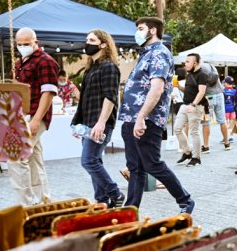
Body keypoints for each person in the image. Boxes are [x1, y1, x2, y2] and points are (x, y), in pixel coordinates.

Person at [118, 16, 194, 214]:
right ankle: (130, 210)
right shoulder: (146, 53)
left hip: (147, 119)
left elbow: (157, 88)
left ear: (152, 31)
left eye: (141, 28)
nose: (137, 32)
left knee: (152, 164)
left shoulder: (159, 53)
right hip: (131, 117)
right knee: (135, 167)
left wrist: (141, 117)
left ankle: (185, 200)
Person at [71, 29, 125, 208]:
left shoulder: (109, 67)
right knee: (95, 160)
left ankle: (115, 193)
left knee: (89, 160)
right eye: (87, 39)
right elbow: (85, 101)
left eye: (92, 40)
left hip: (100, 123)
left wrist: (101, 123)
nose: (87, 42)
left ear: (103, 44)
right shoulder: (91, 69)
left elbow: (110, 97)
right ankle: (101, 200)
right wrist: (77, 124)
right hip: (88, 123)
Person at [11, 27, 59, 205]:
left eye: (26, 44)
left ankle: (25, 205)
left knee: (17, 156)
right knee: (34, 159)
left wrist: (37, 119)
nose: (23, 47)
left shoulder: (45, 61)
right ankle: (42, 201)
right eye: (20, 44)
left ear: (35, 42)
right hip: (22, 115)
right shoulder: (20, 62)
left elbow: (48, 93)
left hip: (34, 115)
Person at [173, 54, 208, 167]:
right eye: (185, 61)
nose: (185, 64)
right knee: (177, 128)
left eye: (188, 61)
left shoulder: (202, 75)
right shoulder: (189, 74)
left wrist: (193, 104)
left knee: (194, 132)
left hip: (195, 106)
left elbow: (201, 92)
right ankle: (187, 152)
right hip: (185, 105)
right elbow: (189, 90)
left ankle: (196, 158)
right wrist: (179, 87)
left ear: (195, 63)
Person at [199, 59, 231, 153]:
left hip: (209, 96)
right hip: (220, 94)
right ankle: (227, 143)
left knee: (206, 121)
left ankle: (206, 146)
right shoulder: (212, 66)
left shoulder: (200, 69)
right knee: (222, 121)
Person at [223, 76, 237, 142]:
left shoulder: (223, 91)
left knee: (225, 123)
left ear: (226, 83)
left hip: (225, 109)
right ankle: (231, 137)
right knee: (231, 124)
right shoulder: (235, 91)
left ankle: (226, 137)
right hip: (233, 110)